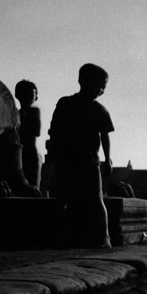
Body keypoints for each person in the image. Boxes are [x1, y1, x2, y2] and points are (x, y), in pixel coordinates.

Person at [48, 63, 114, 248]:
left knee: (96, 200)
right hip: (66, 159)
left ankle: (104, 238)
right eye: (99, 85)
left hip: (89, 161)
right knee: (62, 198)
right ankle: (58, 236)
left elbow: (105, 137)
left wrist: (107, 159)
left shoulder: (99, 110)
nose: (101, 90)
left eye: (104, 86)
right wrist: (52, 156)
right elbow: (55, 131)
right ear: (82, 81)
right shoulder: (65, 104)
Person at [14, 80, 42, 189]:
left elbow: (36, 131)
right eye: (32, 94)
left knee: (33, 185)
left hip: (30, 153)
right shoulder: (16, 113)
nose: (35, 97)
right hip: (19, 153)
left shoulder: (34, 111)